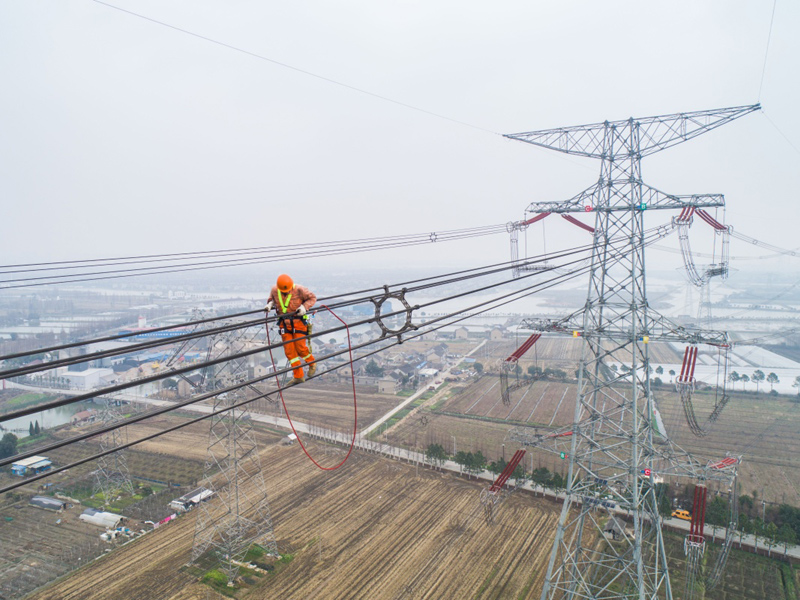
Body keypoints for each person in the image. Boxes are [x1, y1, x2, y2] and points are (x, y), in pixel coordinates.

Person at [266, 273, 317, 385]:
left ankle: (312, 363)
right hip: (284, 324)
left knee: (300, 348)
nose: (285, 293)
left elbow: (312, 298)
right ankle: (298, 376)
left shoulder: (300, 290)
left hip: (298, 322)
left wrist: (304, 307)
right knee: (289, 351)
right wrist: (270, 304)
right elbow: (272, 299)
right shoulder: (275, 290)